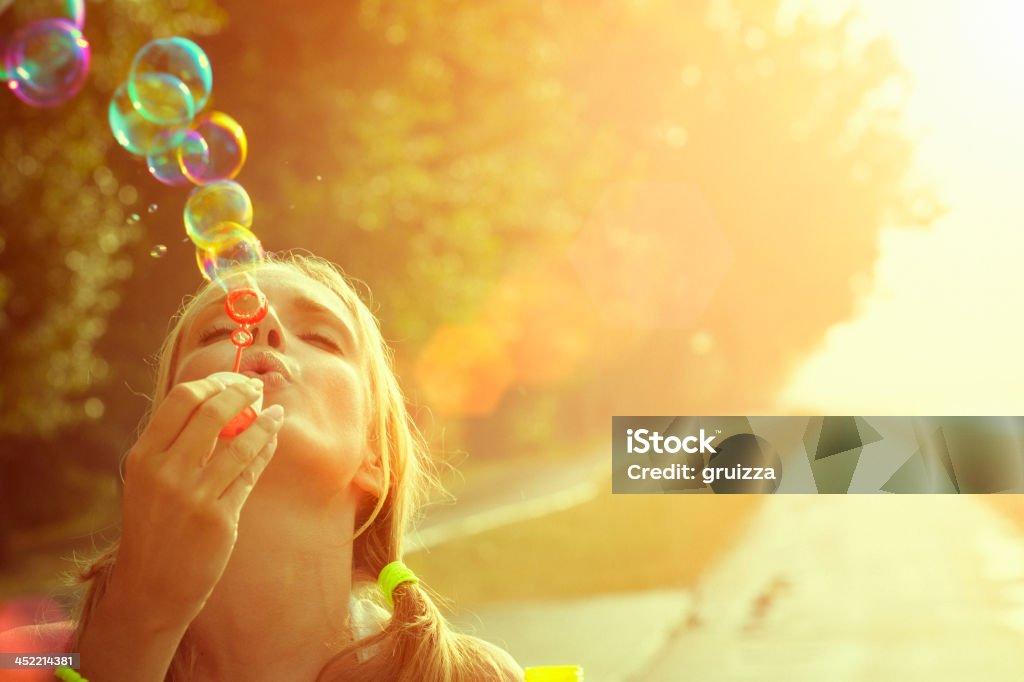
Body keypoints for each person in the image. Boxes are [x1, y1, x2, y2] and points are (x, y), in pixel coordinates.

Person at [0, 252, 524, 681]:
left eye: (320, 337)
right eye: (216, 332)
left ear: (375, 456)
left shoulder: (461, 674)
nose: (260, 324)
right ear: (169, 425)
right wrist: (140, 618)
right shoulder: (31, 660)